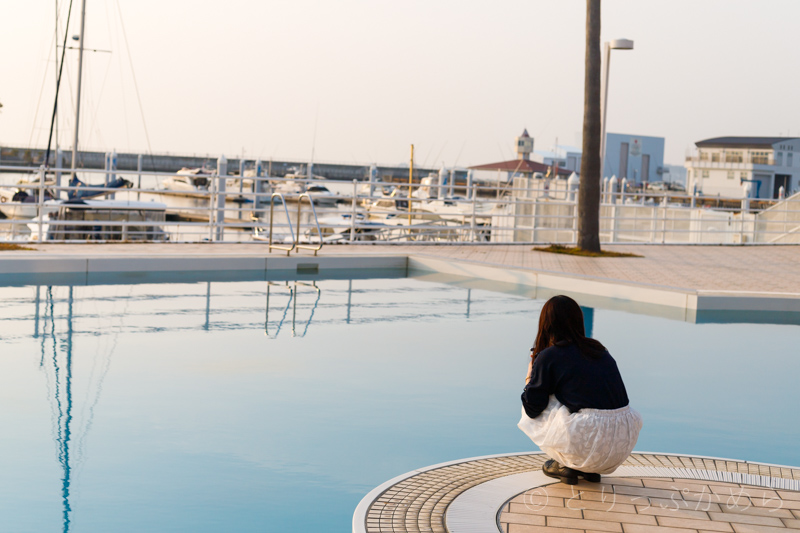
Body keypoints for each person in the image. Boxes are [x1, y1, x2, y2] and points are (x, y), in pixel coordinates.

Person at [518, 295, 642, 485]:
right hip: (621, 443)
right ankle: (586, 468)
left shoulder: (549, 356)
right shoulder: (598, 349)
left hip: (588, 441)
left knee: (536, 395)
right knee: (574, 397)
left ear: (547, 323)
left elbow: (532, 409)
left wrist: (530, 373)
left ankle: (565, 463)